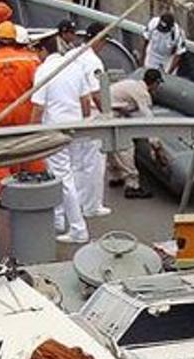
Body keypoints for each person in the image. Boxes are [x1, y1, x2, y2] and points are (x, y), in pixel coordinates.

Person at [30, 32, 91, 244]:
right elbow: (86, 101)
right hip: (74, 127)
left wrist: (30, 133)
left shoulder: (44, 70)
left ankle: (78, 228)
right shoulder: (74, 66)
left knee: (62, 178)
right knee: (67, 174)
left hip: (54, 130)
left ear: (43, 50)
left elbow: (38, 107)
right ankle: (58, 219)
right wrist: (82, 122)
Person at [0, 22, 42, 188]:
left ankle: (3, 191)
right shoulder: (31, 60)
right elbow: (39, 85)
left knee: (1, 152)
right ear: (15, 40)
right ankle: (34, 185)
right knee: (28, 146)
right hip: (24, 108)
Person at [107, 69, 165, 199]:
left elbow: (128, 109)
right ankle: (132, 186)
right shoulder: (142, 93)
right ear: (155, 83)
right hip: (112, 114)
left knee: (111, 145)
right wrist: (156, 146)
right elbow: (149, 119)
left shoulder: (133, 85)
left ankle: (115, 176)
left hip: (106, 111)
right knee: (126, 147)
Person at [73, 21, 111, 219]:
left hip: (74, 113)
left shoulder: (74, 54)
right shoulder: (93, 61)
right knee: (95, 163)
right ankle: (92, 206)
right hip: (92, 114)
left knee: (77, 162)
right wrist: (108, 114)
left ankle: (77, 204)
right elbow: (96, 92)